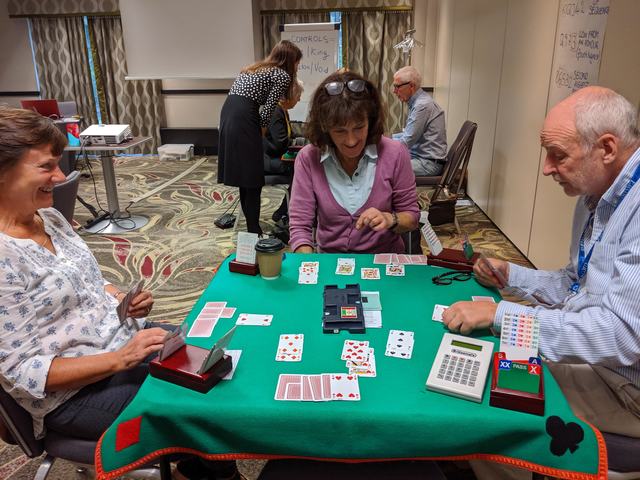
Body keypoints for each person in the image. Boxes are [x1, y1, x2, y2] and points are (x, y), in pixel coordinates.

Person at [0, 107, 243, 480]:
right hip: (73, 395)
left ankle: (196, 467)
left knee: (216, 356)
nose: (61, 177)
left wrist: (120, 298)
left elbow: (88, 280)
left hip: (121, 342)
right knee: (204, 404)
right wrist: (120, 359)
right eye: (47, 167)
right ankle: (210, 472)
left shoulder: (49, 218)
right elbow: (22, 372)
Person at [441, 87, 640, 479]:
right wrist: (512, 275)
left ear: (606, 148)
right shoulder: (598, 195)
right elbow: (575, 283)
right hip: (600, 365)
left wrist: (501, 315)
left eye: (558, 155)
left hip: (624, 390)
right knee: (487, 363)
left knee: (488, 405)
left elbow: (621, 335)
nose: (547, 168)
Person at [289, 71, 419, 254]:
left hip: (383, 259)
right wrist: (308, 262)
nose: (351, 141)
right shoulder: (308, 158)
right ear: (325, 128)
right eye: (340, 131)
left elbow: (412, 217)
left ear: (370, 121)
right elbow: (300, 227)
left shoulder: (395, 153)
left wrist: (390, 219)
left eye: (359, 128)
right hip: (330, 260)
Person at [217, 40, 302, 235]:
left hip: (228, 115)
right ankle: (254, 230)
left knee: (245, 178)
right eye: (297, 62)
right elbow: (267, 112)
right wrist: (259, 140)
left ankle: (251, 228)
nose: (298, 66)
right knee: (253, 179)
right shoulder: (282, 75)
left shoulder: (254, 69)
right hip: (245, 118)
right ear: (290, 60)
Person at [391, 66, 447, 176]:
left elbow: (406, 142)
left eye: (397, 86)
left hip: (427, 163)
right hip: (420, 158)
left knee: (384, 166)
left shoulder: (422, 105)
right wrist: (389, 138)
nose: (394, 91)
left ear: (411, 86)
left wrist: (383, 143)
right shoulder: (419, 102)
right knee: (382, 161)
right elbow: (408, 134)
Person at [263, 80, 304, 225]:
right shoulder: (275, 111)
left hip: (275, 156)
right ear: (289, 95)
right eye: (298, 96)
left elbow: (288, 136)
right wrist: (295, 143)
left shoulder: (282, 110)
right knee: (302, 171)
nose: (299, 99)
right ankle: (283, 211)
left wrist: (299, 139)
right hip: (268, 160)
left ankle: (284, 210)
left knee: (302, 169)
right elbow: (279, 144)